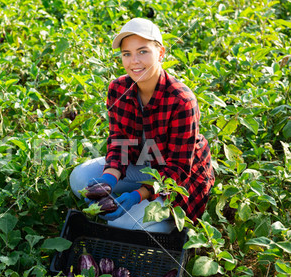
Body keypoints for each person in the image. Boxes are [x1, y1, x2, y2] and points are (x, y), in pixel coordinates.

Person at [69, 18, 215, 232]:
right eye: (127, 54)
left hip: (180, 178)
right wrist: (109, 179)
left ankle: (165, 222)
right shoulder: (118, 89)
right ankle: (141, 210)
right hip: (144, 162)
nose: (134, 61)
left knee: (121, 223)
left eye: (143, 51)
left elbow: (178, 169)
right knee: (79, 179)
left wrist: (139, 195)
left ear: (161, 53)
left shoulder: (182, 100)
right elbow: (120, 144)